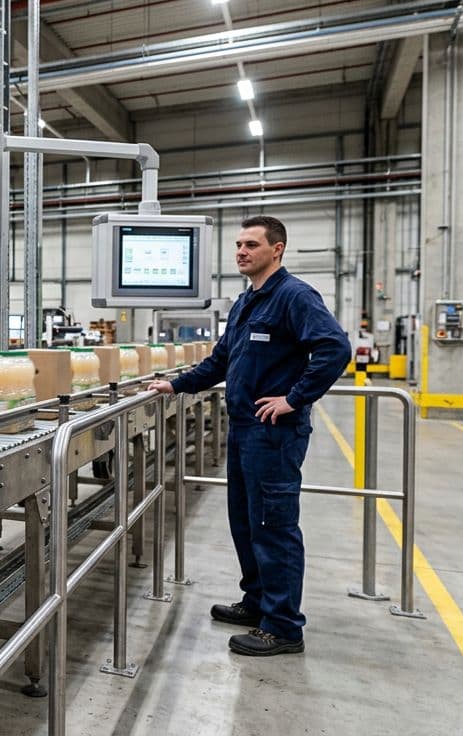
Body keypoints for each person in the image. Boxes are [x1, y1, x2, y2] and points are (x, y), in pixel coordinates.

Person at [148, 215, 349, 656]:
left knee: (273, 526)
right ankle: (258, 603)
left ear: (276, 249)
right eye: (239, 244)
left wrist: (294, 399)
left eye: (252, 245)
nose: (241, 251)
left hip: (274, 433)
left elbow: (335, 348)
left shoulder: (294, 296)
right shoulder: (246, 302)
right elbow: (221, 360)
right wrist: (176, 385)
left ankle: (283, 626)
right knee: (246, 523)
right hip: (242, 430)